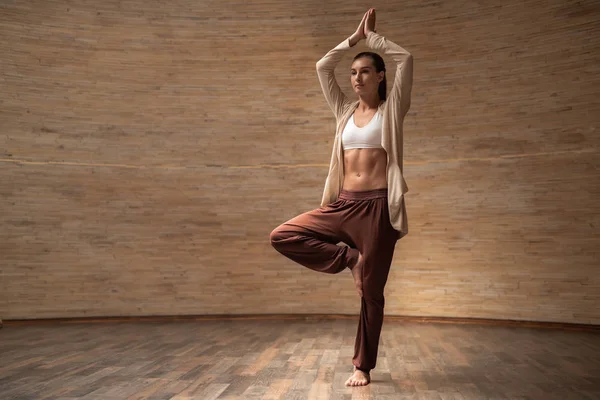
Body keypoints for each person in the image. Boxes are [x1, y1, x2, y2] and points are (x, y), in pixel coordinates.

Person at [270, 8, 413, 387]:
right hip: (343, 203)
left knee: (371, 292)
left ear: (380, 76)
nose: (356, 78)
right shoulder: (344, 111)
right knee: (282, 235)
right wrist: (353, 40)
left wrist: (376, 40)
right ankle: (349, 259)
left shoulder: (392, 110)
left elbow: (407, 59)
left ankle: (362, 366)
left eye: (364, 71)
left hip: (378, 207)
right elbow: (322, 66)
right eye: (352, 72)